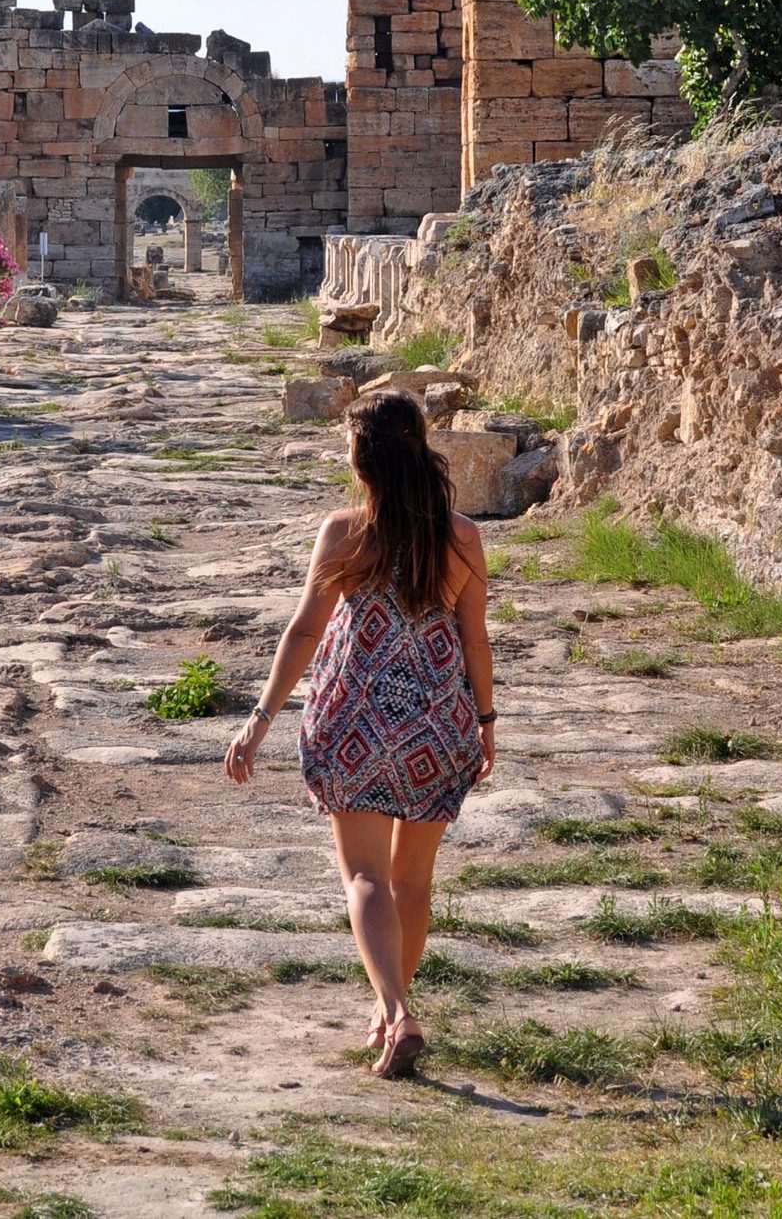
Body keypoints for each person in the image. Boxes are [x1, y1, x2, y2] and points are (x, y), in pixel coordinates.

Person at [222, 388, 496, 1079]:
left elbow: (305, 631)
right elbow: (476, 642)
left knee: (367, 877)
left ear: (365, 462)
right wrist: (486, 723)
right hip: (438, 725)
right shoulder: (463, 537)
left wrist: (258, 722)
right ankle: (390, 1007)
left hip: (356, 724)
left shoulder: (345, 532)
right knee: (413, 883)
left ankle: (396, 1008)